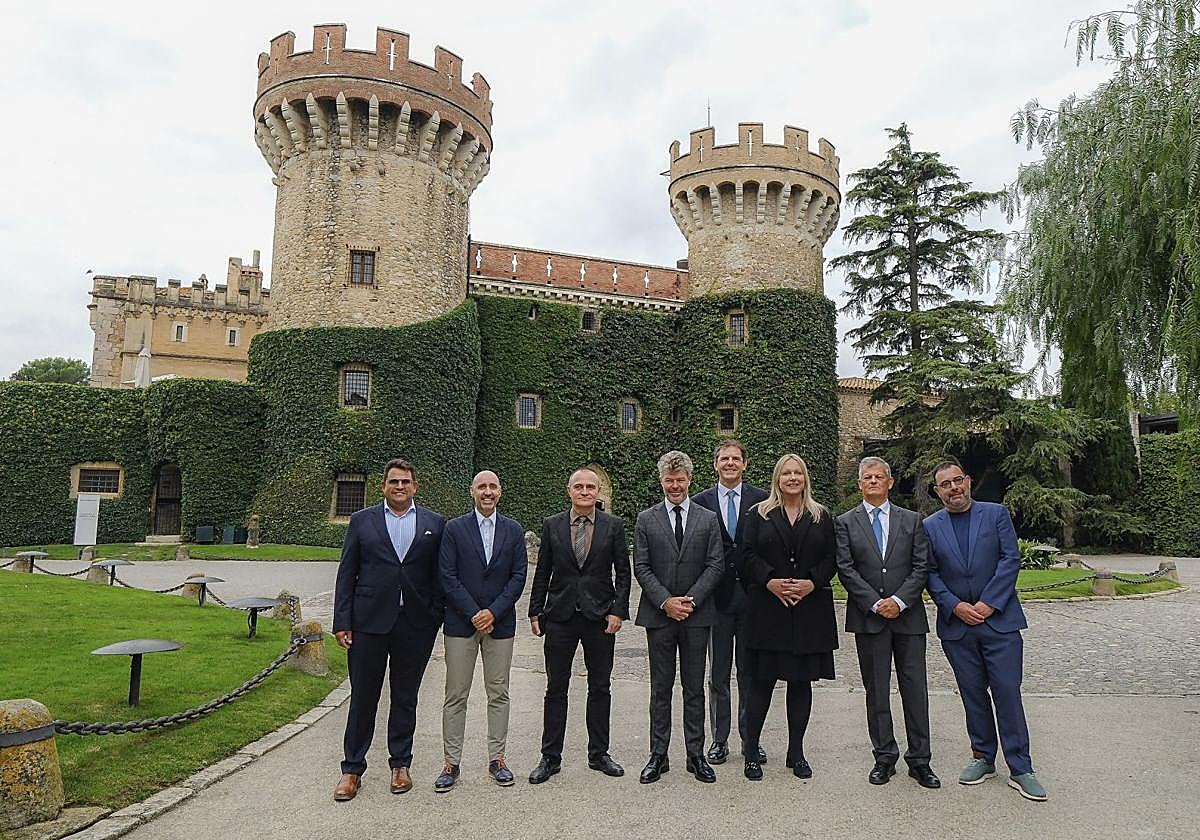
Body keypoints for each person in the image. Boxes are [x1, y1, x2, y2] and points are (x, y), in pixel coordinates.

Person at [923, 459, 1047, 802]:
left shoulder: (995, 514)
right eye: (945, 485)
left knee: (1007, 692)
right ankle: (982, 757)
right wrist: (955, 606)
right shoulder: (931, 526)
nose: (953, 488)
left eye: (957, 480)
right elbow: (930, 573)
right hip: (958, 626)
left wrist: (989, 602)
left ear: (968, 480)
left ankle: (1021, 768)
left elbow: (1010, 559)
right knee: (972, 693)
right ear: (937, 492)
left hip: (1000, 622)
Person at [332, 458, 446, 801]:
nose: (400, 487)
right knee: (363, 697)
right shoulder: (362, 521)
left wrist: (435, 616)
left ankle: (400, 764)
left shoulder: (433, 523)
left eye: (406, 482)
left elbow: (440, 575)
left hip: (415, 625)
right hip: (369, 623)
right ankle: (352, 769)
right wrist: (342, 621)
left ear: (415, 486)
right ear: (384, 486)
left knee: (405, 697)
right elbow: (346, 574)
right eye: (394, 482)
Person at [835, 456, 939, 789]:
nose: (874, 482)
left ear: (890, 483)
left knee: (915, 689)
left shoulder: (912, 520)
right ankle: (884, 757)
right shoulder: (845, 523)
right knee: (876, 690)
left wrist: (898, 601)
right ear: (860, 484)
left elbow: (921, 567)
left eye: (880, 477)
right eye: (868, 478)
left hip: (908, 617)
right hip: (869, 618)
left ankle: (920, 760)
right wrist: (875, 602)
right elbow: (846, 569)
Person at [526, 467, 631, 784]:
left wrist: (618, 612)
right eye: (579, 486)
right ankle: (550, 757)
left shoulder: (613, 527)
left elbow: (623, 574)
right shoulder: (552, 525)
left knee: (600, 687)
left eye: (591, 487)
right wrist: (535, 611)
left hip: (599, 617)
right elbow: (542, 570)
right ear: (569, 490)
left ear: (598, 491)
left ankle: (599, 754)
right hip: (560, 616)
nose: (585, 491)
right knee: (555, 688)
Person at [737, 453, 837, 781]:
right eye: (786, 473)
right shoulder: (758, 515)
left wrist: (812, 582)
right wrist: (769, 580)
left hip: (808, 612)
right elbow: (745, 555)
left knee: (800, 683)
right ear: (777, 479)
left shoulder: (821, 515)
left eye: (797, 473)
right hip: (767, 611)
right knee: (761, 685)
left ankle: (797, 751)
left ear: (805, 478)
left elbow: (831, 558)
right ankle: (751, 750)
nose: (792, 478)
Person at [633, 450, 725, 784]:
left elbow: (716, 564)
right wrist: (666, 602)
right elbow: (640, 566)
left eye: (680, 479)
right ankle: (658, 755)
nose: (675, 485)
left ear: (689, 480)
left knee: (694, 688)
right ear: (662, 481)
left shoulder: (707, 518)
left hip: (697, 617)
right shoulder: (646, 519)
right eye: (670, 480)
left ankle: (696, 754)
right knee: (660, 688)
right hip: (659, 616)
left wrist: (691, 601)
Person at [435, 470, 528, 791]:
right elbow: (447, 575)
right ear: (472, 491)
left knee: (498, 693)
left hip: (500, 625)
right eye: (481, 487)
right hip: (461, 624)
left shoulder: (513, 530)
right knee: (456, 694)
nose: (487, 492)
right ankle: (451, 762)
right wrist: (475, 613)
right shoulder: (454, 529)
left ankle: (497, 759)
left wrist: (493, 612)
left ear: (500, 491)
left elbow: (518, 577)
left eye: (492, 487)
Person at [690, 439, 768, 766]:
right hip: (717, 601)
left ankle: (751, 740)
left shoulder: (763, 500)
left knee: (749, 674)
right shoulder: (700, 502)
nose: (730, 463)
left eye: (736, 459)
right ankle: (719, 740)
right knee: (718, 674)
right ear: (715, 464)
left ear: (745, 464)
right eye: (724, 459)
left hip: (752, 600)